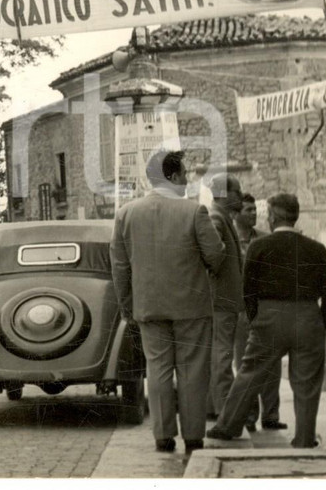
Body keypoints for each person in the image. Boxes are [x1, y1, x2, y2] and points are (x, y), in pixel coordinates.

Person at [110, 149, 225, 455]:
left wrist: (127, 306)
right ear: (173, 177)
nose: (187, 179)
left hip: (148, 305)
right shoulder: (194, 211)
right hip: (192, 305)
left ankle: (163, 435)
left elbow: (119, 267)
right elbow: (215, 255)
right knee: (192, 370)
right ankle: (193, 436)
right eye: (185, 174)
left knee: (158, 368)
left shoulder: (126, 214)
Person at [208, 194, 326, 449]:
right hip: (308, 316)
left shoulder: (259, 247)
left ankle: (228, 426)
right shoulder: (317, 249)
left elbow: (248, 291)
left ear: (273, 216)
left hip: (269, 317)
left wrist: (257, 319)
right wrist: (321, 322)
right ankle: (304, 437)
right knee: (307, 382)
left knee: (250, 373)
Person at [233, 193, 284, 432]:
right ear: (237, 213)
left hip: (265, 307)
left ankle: (271, 415)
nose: (253, 214)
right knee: (246, 364)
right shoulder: (229, 240)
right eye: (248, 210)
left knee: (272, 362)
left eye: (255, 210)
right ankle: (249, 415)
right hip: (241, 310)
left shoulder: (266, 240)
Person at [204, 174, 245, 422]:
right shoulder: (217, 218)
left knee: (219, 355)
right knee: (222, 356)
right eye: (237, 192)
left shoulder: (221, 217)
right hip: (221, 301)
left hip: (222, 300)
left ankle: (214, 407)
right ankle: (224, 413)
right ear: (224, 194)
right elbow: (212, 254)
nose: (240, 196)